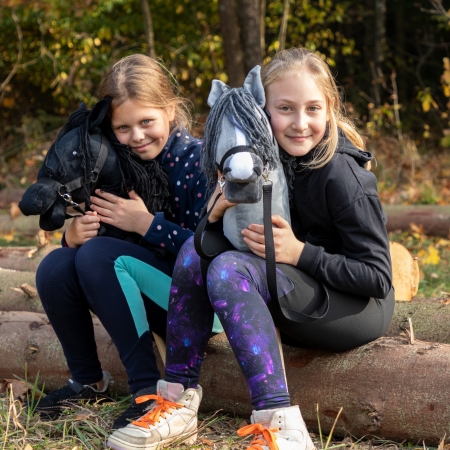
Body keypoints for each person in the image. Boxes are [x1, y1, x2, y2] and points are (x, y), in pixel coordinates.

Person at [107, 47, 394, 450]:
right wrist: (213, 215)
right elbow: (209, 251)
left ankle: (281, 426)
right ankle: (177, 400)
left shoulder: (341, 174)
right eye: (285, 109)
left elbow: (378, 278)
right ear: (263, 110)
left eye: (313, 109)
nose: (299, 123)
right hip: (296, 285)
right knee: (195, 251)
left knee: (228, 270)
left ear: (330, 109)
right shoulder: (262, 158)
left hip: (351, 307)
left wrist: (299, 253)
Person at [28, 53, 221, 428]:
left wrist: (146, 224)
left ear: (170, 110)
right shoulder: (111, 162)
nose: (136, 136)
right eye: (123, 127)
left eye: (146, 121)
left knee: (98, 255)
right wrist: (72, 235)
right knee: (55, 264)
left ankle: (148, 391)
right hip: (135, 281)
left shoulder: (199, 161)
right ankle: (87, 380)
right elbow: (105, 242)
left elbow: (213, 253)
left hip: (198, 301)